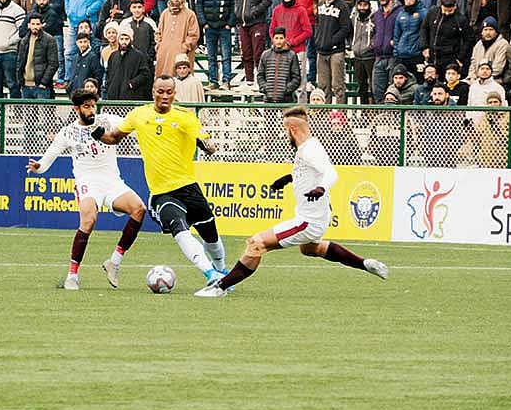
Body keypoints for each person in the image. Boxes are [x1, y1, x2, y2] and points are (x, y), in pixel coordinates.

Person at [195, 105, 387, 298]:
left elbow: (331, 173)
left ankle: (220, 288)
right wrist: (288, 178)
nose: (285, 134)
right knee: (311, 248)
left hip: (308, 221)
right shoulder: (309, 146)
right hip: (316, 218)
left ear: (292, 129)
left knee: (257, 243)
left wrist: (321, 188)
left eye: (285, 130)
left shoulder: (309, 150)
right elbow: (309, 172)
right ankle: (365, 264)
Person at [94, 76, 229, 284]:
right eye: (160, 91)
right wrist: (98, 133)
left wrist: (207, 145)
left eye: (169, 92)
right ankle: (210, 275)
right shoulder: (139, 114)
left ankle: (221, 270)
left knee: (211, 236)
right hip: (161, 193)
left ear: (175, 94)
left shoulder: (185, 117)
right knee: (179, 228)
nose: (164, 96)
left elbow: (207, 142)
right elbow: (114, 138)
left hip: (188, 187)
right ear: (153, 92)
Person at [27, 88, 147, 290]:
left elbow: (132, 124)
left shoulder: (108, 120)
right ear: (77, 109)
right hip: (88, 183)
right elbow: (47, 159)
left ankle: (114, 262)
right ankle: (72, 276)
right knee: (89, 220)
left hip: (112, 181)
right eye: (86, 106)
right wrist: (38, 167)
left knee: (139, 209)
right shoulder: (68, 132)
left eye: (93, 106)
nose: (91, 110)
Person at [194, 0, 237, 90]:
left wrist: (230, 23)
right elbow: (198, 4)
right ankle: (213, 81)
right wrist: (203, 22)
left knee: (226, 55)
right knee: (211, 56)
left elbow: (234, 3)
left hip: (224, 26)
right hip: (209, 26)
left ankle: (226, 81)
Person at [234, 0, 271, 87]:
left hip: (257, 22)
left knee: (258, 54)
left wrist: (255, 11)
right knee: (246, 54)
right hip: (243, 23)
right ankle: (249, 81)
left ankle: (261, 81)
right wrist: (237, 13)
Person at [314, 0, 351, 103]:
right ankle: (324, 117)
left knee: (338, 86)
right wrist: (318, 40)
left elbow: (346, 28)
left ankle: (340, 118)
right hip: (321, 51)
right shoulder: (320, 5)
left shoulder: (342, 6)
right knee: (323, 87)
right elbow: (317, 24)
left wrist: (332, 41)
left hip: (336, 51)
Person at [155, 0, 199, 78]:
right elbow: (158, 32)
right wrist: (159, 45)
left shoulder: (190, 14)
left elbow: (194, 34)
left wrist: (184, 47)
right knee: (163, 80)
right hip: (164, 52)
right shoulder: (165, 13)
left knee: (181, 79)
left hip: (182, 53)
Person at [104, 25, 152, 100]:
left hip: (131, 97)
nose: (124, 42)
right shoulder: (113, 55)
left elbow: (145, 74)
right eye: (121, 39)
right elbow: (108, 74)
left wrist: (132, 83)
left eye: (126, 39)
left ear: (131, 40)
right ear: (118, 39)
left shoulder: (138, 56)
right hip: (113, 97)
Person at [257, 27, 301, 103]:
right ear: (273, 39)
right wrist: (266, 88)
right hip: (268, 100)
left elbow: (296, 77)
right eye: (276, 38)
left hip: (286, 100)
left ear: (285, 38)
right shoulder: (265, 54)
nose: (279, 41)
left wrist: (286, 89)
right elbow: (260, 75)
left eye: (281, 38)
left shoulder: (292, 55)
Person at [350, 0, 376, 104]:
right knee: (361, 86)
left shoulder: (374, 18)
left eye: (365, 5)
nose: (362, 8)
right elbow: (349, 32)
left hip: (370, 56)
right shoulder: (353, 18)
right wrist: (351, 47)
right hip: (357, 56)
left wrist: (371, 46)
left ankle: (374, 111)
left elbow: (377, 34)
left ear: (369, 5)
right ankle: (364, 111)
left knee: (373, 85)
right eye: (360, 5)